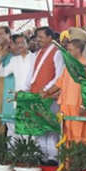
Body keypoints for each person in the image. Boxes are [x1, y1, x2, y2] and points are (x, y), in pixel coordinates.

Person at [45, 37, 86, 145]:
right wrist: (47, 92)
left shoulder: (85, 66)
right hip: (66, 105)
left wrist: (84, 106)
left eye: (70, 50)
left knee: (81, 136)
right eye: (67, 49)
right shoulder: (69, 64)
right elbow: (59, 83)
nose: (67, 52)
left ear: (78, 50)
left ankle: (81, 161)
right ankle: (68, 161)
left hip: (78, 106)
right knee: (67, 135)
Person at [29, 27, 64, 161]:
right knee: (39, 128)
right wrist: (27, 89)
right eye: (37, 37)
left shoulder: (57, 52)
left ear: (50, 38)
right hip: (36, 96)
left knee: (51, 129)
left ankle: (53, 157)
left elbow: (59, 76)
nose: (38, 40)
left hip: (50, 96)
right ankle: (42, 156)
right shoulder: (38, 53)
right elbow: (32, 75)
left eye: (41, 37)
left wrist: (47, 89)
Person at [0, 33, 34, 136]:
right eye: (18, 43)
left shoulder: (35, 58)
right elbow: (2, 73)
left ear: (28, 44)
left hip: (32, 98)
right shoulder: (14, 60)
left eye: (22, 43)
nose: (20, 45)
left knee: (30, 132)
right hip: (17, 98)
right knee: (14, 132)